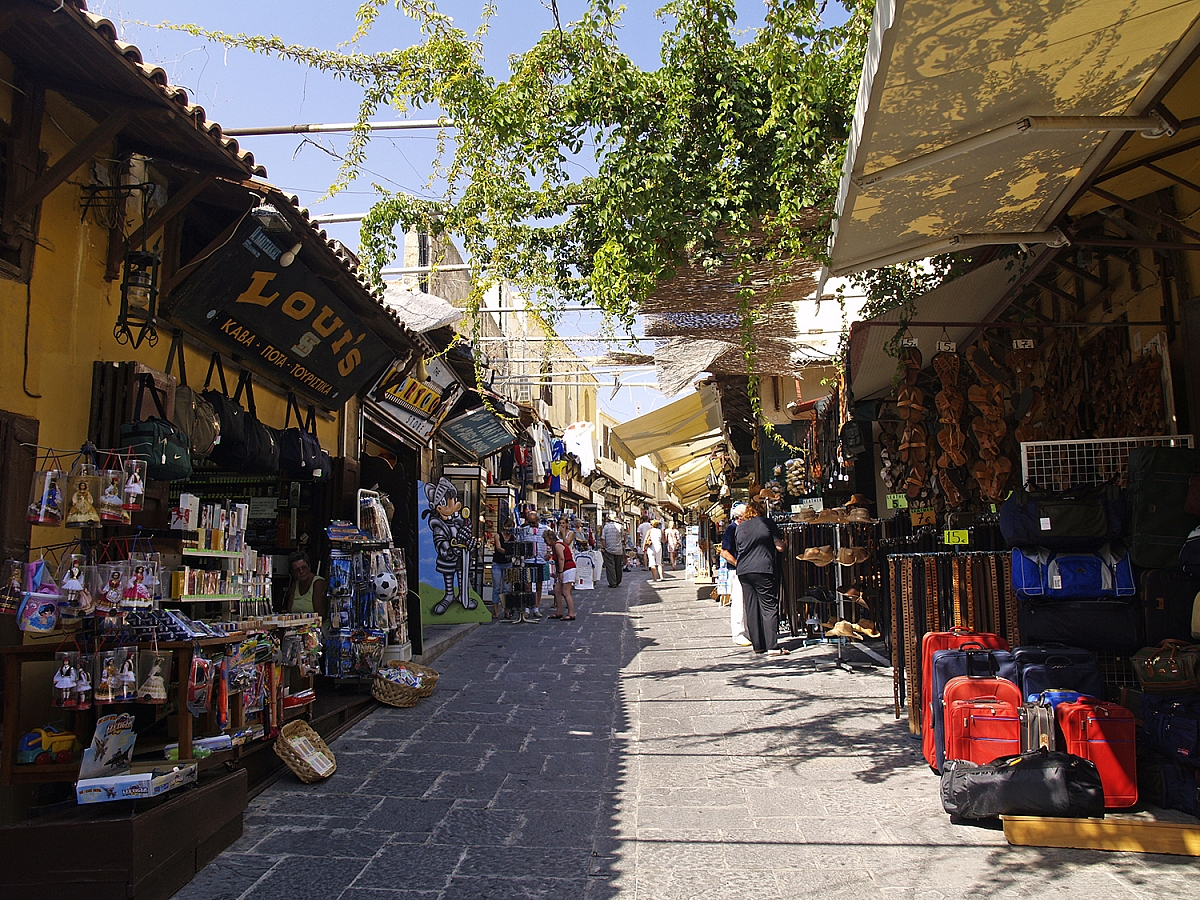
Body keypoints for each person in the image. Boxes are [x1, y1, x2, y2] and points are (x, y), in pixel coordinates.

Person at [732, 498, 788, 655]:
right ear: (761, 512)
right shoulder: (767, 523)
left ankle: (758, 645)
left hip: (743, 570)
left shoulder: (740, 528)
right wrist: (784, 543)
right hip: (762, 568)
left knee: (751, 607)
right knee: (768, 606)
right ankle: (772, 646)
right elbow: (780, 547)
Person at [719, 503, 751, 647]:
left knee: (745, 601)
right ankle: (738, 633)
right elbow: (724, 552)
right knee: (739, 601)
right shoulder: (732, 529)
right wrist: (739, 564)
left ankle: (747, 631)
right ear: (740, 517)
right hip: (736, 571)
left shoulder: (744, 529)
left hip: (745, 569)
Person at [520, 509, 547, 618]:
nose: (532, 525)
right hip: (528, 561)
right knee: (527, 585)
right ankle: (527, 608)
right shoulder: (524, 530)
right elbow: (520, 542)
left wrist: (549, 553)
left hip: (540, 560)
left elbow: (552, 541)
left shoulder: (545, 529)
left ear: (538, 520)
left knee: (539, 585)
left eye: (533, 522)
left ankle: (536, 607)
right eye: (530, 522)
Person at [544, 529, 576, 620]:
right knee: (557, 590)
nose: (545, 542)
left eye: (546, 540)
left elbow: (561, 559)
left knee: (566, 592)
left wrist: (560, 572)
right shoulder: (555, 546)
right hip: (563, 569)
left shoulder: (558, 545)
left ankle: (571, 613)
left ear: (551, 539)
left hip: (568, 568)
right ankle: (559, 611)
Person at [287, 551, 328, 621]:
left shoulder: (318, 583)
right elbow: (289, 612)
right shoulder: (295, 585)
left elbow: (321, 616)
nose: (301, 572)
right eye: (297, 570)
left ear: (309, 567)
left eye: (304, 567)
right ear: (293, 572)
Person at [488, 517, 512, 619]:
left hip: (508, 564)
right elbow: (498, 548)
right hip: (497, 563)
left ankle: (506, 611)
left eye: (511, 527)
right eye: (508, 526)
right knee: (496, 588)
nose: (509, 529)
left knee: (507, 589)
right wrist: (508, 553)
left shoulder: (513, 537)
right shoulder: (498, 535)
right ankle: (496, 611)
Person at [600, 516, 625, 588]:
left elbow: (603, 538)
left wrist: (604, 547)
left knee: (610, 566)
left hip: (609, 549)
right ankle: (618, 580)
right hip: (618, 549)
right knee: (618, 566)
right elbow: (623, 538)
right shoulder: (620, 527)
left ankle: (612, 582)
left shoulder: (606, 527)